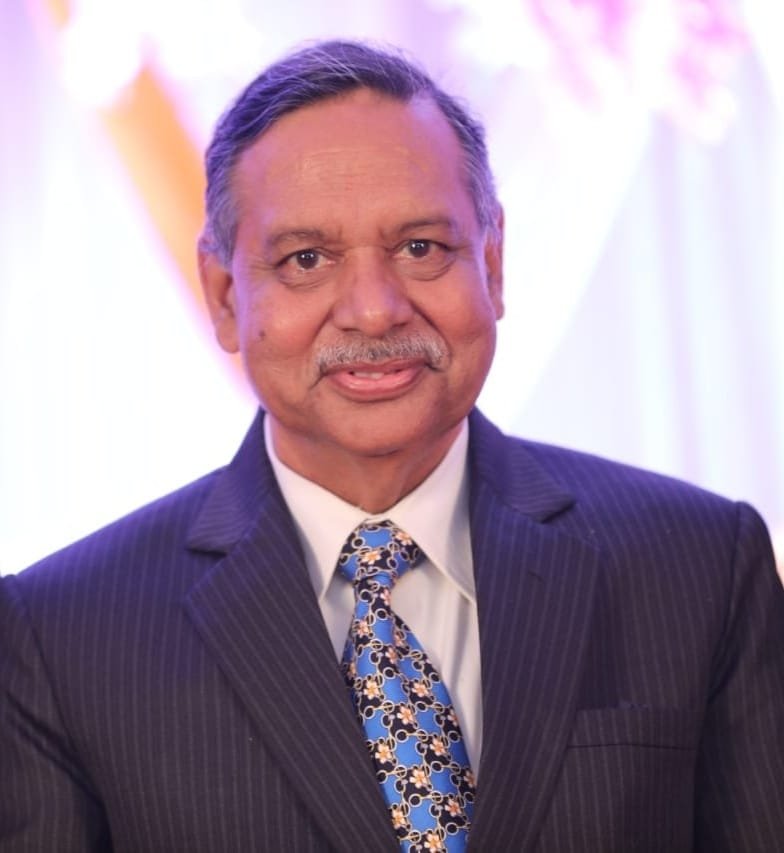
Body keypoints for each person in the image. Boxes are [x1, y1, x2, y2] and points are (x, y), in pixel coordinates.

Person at [1, 39, 782, 853]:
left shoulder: (700, 566)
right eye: (307, 259)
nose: (374, 309)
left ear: (493, 264)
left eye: (420, 248)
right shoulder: (63, 639)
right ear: (225, 296)